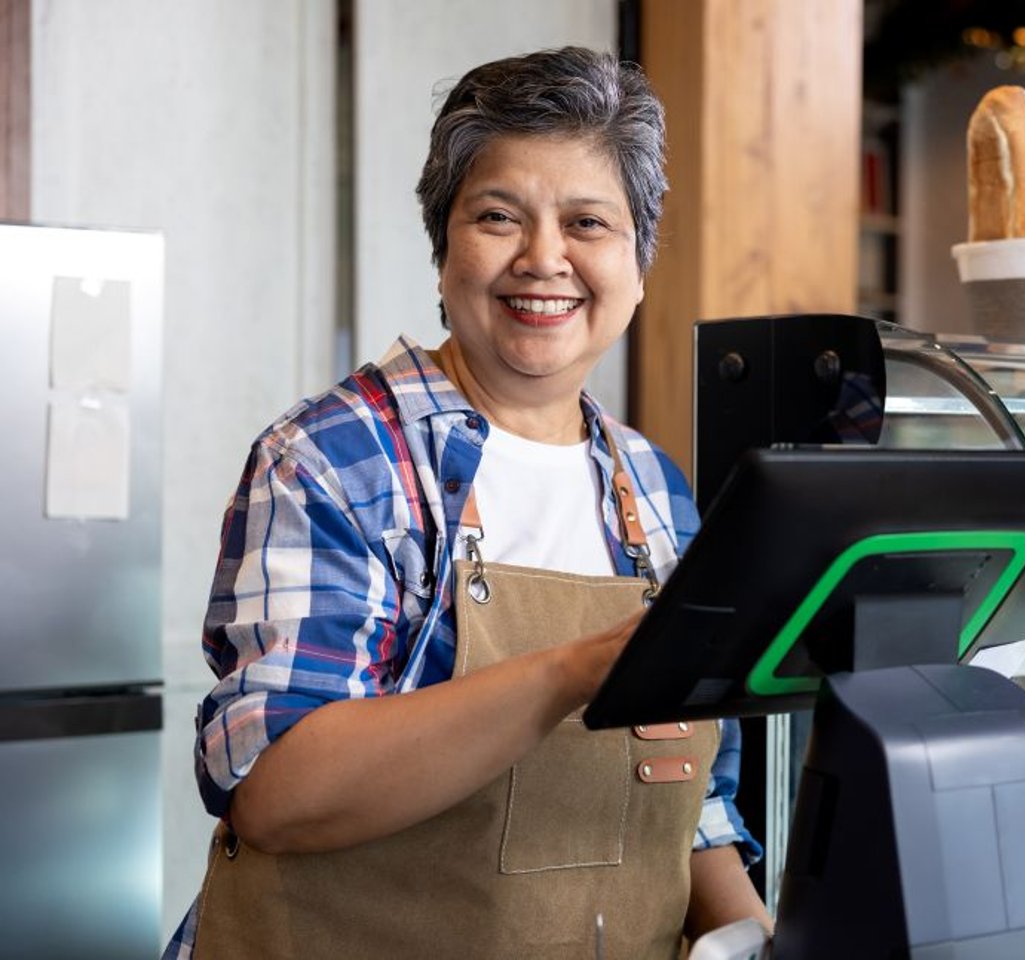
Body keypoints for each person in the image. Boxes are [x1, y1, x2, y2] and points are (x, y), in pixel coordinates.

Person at [164, 46, 768, 959]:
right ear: (444, 249)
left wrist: (750, 937)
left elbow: (691, 806)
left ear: (638, 263)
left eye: (588, 222)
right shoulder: (336, 459)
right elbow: (277, 787)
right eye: (499, 217)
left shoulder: (655, 492)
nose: (544, 259)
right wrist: (572, 673)